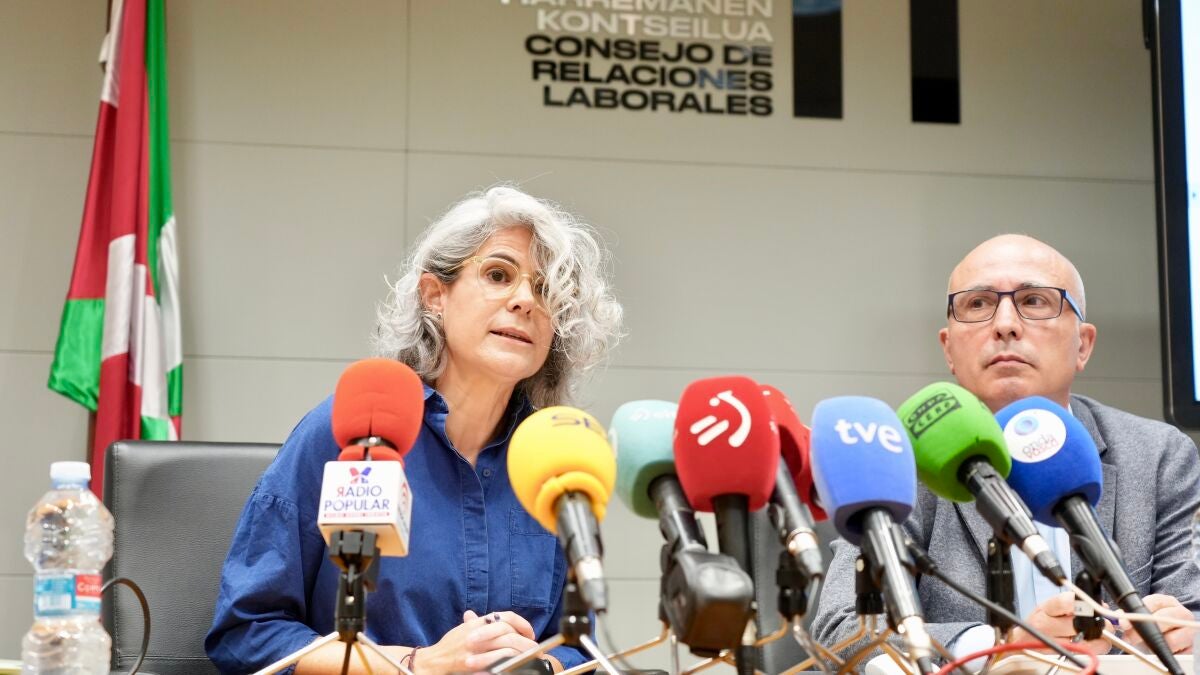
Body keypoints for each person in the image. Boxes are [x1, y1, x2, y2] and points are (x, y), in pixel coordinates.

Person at [206, 186, 623, 674]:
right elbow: (248, 633)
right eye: (498, 275)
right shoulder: (351, 433)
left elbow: (578, 648)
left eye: (547, 289)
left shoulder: (556, 459)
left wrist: (540, 665)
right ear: (435, 295)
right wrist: (418, 665)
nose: (526, 301)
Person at [810, 234, 1200, 662]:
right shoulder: (897, 459)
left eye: (1034, 300)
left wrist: (1182, 636)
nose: (1005, 324)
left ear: (1083, 345)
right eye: (978, 304)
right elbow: (843, 629)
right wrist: (1003, 648)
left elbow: (1193, 612)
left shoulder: (1158, 456)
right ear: (948, 350)